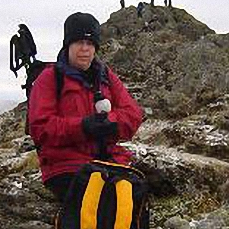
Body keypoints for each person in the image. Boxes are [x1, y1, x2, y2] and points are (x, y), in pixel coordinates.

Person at [28, 12, 143, 202]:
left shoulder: (105, 76)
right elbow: (40, 128)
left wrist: (111, 123)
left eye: (90, 44)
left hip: (107, 161)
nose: (84, 49)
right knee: (102, 201)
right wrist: (82, 127)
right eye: (79, 42)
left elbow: (133, 114)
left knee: (136, 194)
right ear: (68, 45)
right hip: (66, 166)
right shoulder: (49, 78)